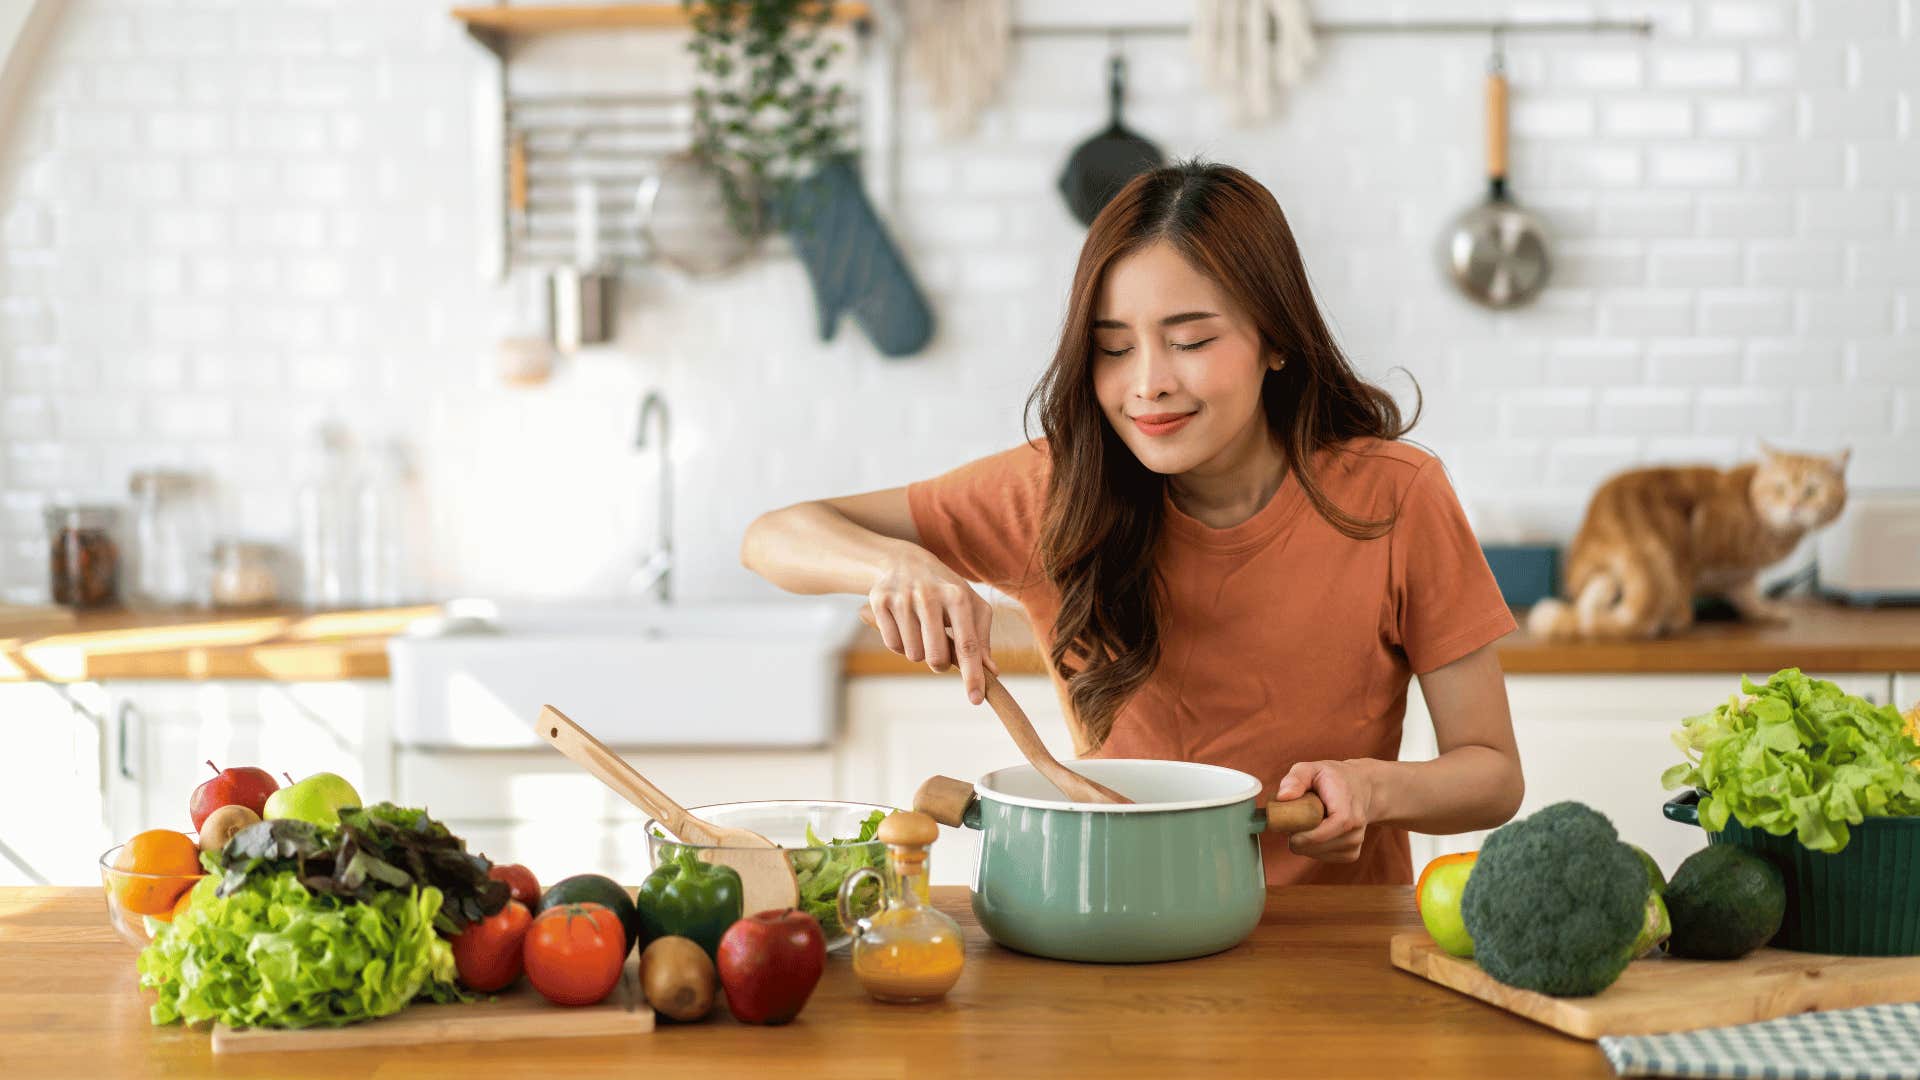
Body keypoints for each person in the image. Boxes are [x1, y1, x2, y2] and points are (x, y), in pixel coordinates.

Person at [741, 160, 1523, 885]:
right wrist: (895, 566)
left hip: (1335, 945)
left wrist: (1374, 789)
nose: (1147, 384)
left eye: (1190, 341)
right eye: (1113, 348)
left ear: (1276, 338)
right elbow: (773, 536)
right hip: (1113, 925)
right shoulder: (1055, 490)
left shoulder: (1395, 496)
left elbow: (1492, 775)